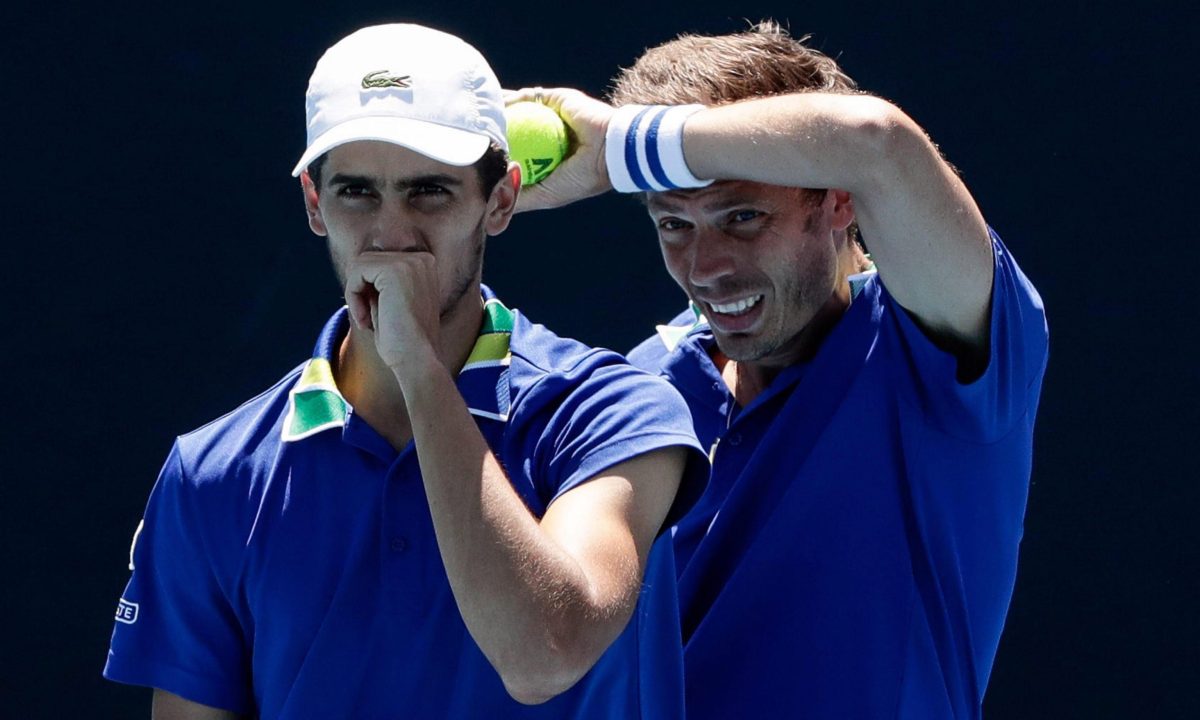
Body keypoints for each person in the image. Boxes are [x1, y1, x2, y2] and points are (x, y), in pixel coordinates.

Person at [103, 23, 707, 720]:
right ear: (313, 202)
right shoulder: (211, 473)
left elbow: (545, 655)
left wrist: (419, 370)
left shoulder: (615, 412)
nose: (392, 232)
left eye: (429, 192)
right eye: (357, 192)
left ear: (501, 201)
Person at [512, 20, 1049, 719]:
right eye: (673, 223)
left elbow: (874, 143)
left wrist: (618, 149)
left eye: (741, 216)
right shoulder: (634, 392)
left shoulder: (933, 351)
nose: (705, 268)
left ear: (838, 198)